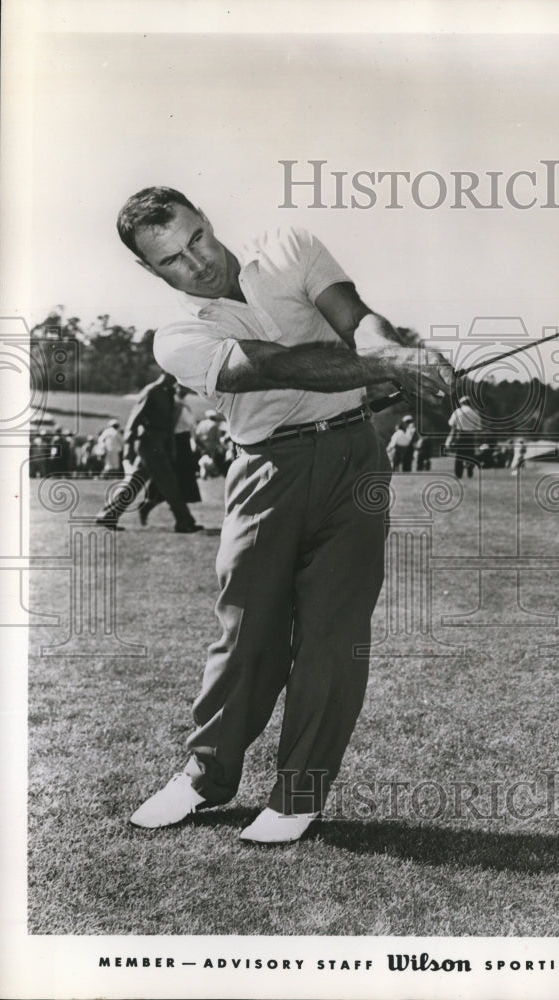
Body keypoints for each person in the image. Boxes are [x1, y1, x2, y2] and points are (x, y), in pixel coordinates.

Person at [118, 186, 452, 843]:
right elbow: (272, 366)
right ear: (150, 272)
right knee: (246, 636)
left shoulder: (290, 247)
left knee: (334, 634)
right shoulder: (178, 337)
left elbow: (357, 317)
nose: (198, 263)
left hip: (357, 457)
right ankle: (205, 778)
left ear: (209, 219)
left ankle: (298, 795)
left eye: (198, 239)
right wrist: (382, 363)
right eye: (172, 261)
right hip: (265, 469)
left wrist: (391, 349)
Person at [94, 371, 203, 533]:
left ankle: (108, 514)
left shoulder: (168, 392)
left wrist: (170, 446)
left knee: (136, 482)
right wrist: (129, 446)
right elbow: (135, 418)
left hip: (158, 443)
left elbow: (168, 425)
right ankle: (184, 521)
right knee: (169, 482)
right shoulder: (152, 391)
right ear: (166, 374)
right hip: (149, 442)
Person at [139, 384, 202, 525]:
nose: (185, 390)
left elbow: (190, 427)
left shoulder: (185, 405)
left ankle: (181, 518)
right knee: (169, 480)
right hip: (176, 443)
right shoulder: (174, 404)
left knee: (181, 482)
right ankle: (151, 507)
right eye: (182, 388)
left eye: (187, 388)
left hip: (184, 444)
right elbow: (171, 426)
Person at [446, 394, 482, 479]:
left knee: (459, 456)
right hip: (470, 436)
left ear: (462, 403)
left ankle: (458, 474)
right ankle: (470, 472)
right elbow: (478, 428)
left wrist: (450, 439)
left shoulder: (457, 412)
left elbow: (451, 424)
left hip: (460, 435)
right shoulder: (475, 413)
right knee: (470, 455)